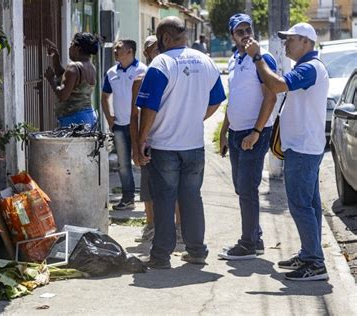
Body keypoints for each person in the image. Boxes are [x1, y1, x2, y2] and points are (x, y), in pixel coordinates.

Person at [136, 16, 226, 269]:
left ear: (164, 38)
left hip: (164, 146)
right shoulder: (205, 60)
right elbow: (217, 100)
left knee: (164, 200)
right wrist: (196, 118)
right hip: (194, 145)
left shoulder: (161, 63)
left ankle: (161, 256)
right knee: (191, 198)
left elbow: (149, 108)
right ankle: (197, 251)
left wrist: (141, 139)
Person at [245, 23, 330, 281]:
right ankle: (310, 254)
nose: (285, 45)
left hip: (304, 149)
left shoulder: (309, 68)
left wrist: (258, 58)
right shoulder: (308, 67)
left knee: (301, 205)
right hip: (304, 147)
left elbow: (277, 85)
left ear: (306, 42)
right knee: (310, 205)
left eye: (290, 40)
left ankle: (315, 263)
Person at [217, 14, 277, 261]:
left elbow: (270, 97)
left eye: (247, 29)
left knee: (247, 188)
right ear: (232, 35)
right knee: (241, 187)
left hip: (255, 132)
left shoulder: (262, 58)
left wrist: (256, 132)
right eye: (239, 31)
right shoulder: (234, 59)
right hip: (235, 132)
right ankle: (256, 237)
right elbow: (236, 98)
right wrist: (223, 131)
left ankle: (248, 243)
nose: (244, 34)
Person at [130, 36, 183, 244]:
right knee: (148, 187)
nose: (158, 53)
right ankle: (151, 225)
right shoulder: (140, 81)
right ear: (147, 54)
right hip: (148, 142)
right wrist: (136, 145)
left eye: (161, 49)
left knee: (176, 187)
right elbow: (134, 114)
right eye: (154, 50)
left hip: (173, 141)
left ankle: (178, 228)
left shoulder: (177, 76)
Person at [102, 39, 147, 210]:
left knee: (143, 161)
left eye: (118, 48)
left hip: (140, 126)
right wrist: (109, 118)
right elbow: (104, 96)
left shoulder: (143, 70)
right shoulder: (112, 72)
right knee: (123, 164)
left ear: (130, 51)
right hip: (120, 126)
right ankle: (128, 199)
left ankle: (149, 201)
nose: (114, 51)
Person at [44, 33, 99, 128]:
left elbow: (62, 95)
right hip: (88, 115)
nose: (69, 48)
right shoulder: (90, 67)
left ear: (77, 48)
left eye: (71, 44)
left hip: (74, 119)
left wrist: (51, 79)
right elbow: (66, 79)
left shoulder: (74, 67)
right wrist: (55, 57)